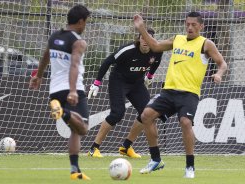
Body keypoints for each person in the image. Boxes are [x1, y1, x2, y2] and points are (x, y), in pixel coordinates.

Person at [133, 12, 228, 178]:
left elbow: (222, 63)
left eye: (193, 25)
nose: (190, 27)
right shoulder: (177, 39)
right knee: (146, 115)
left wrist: (219, 74)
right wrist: (142, 29)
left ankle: (190, 167)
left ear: (201, 26)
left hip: (189, 93)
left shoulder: (206, 44)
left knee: (185, 122)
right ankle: (156, 160)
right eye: (187, 24)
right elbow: (155, 46)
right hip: (169, 91)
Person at [29, 5, 91, 181]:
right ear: (80, 22)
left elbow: (45, 57)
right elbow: (74, 66)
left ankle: (75, 170)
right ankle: (63, 112)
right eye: (86, 22)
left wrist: (38, 77)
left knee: (75, 130)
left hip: (54, 91)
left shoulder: (55, 36)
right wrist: (72, 91)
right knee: (83, 128)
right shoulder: (78, 41)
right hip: (73, 88)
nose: (85, 25)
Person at [87, 28, 163, 158]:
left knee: (147, 114)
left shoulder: (157, 50)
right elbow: (108, 61)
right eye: (143, 38)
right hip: (119, 80)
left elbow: (156, 63)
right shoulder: (127, 50)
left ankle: (126, 147)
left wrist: (149, 76)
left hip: (137, 83)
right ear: (139, 39)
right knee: (117, 113)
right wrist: (97, 83)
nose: (145, 41)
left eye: (148, 38)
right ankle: (94, 148)